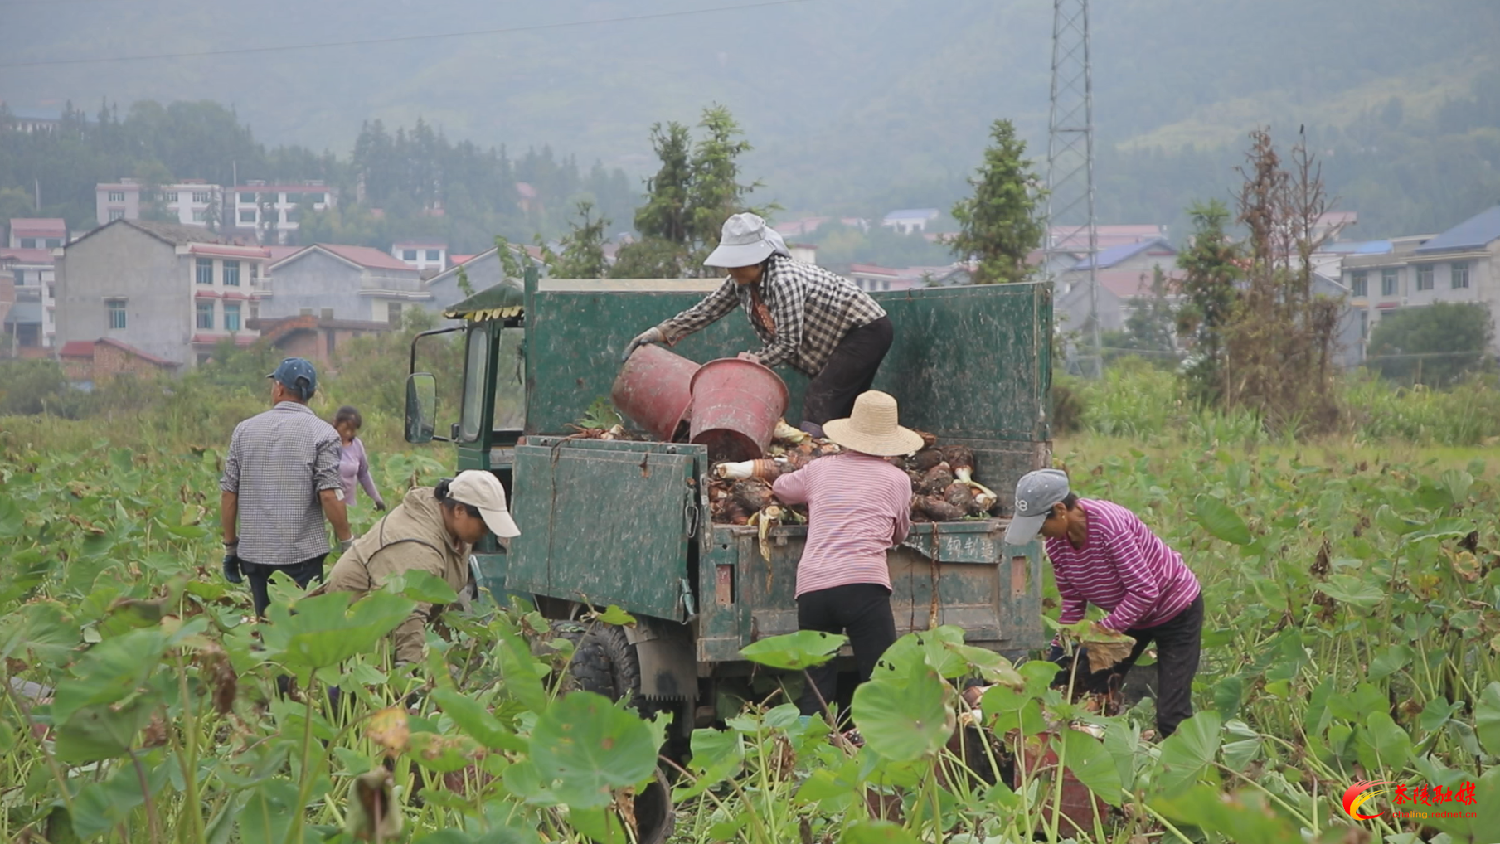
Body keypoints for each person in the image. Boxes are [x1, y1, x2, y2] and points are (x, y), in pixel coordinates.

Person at [623, 212, 893, 438]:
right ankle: (844, 462)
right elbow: (707, 310)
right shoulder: (740, 284)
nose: (734, 270)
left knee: (822, 396)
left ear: (761, 259)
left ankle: (814, 459)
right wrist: (661, 332)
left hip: (864, 330)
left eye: (741, 263)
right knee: (841, 403)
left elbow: (788, 343)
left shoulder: (783, 280)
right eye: (731, 264)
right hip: (839, 338)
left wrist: (756, 361)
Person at [1003, 468, 1203, 738]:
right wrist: (1062, 648)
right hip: (1129, 614)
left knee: (1171, 714)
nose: (1039, 533)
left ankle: (1183, 771)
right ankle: (1097, 755)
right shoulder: (1057, 544)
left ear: (1060, 509)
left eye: (1040, 525)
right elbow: (1073, 601)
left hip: (1175, 609)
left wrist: (1098, 634)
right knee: (1088, 684)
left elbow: (1144, 591)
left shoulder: (1109, 526)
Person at [771, 390, 921, 717]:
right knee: (880, 682)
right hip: (864, 589)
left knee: (816, 689)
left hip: (813, 589)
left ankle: (809, 758)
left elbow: (782, 488)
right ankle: (874, 754)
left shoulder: (821, 470)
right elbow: (899, 533)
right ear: (890, 442)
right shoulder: (898, 479)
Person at [317, 471, 521, 666]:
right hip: (349, 633)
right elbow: (408, 616)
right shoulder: (418, 549)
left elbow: (441, 593)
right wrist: (410, 673)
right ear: (459, 510)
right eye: (484, 524)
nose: (487, 532)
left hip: (380, 632)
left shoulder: (455, 530)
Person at [220, 357, 353, 618]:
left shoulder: (244, 430)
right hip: (301, 556)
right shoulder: (323, 433)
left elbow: (229, 493)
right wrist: (347, 542)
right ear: (311, 393)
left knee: (266, 629)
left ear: (279, 388)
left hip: (255, 555)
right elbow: (328, 494)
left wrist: (230, 548)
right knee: (301, 635)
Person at [334, 406, 387, 512]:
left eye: (352, 430)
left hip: (349, 508)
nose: (348, 433)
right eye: (345, 429)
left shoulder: (357, 445)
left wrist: (376, 499)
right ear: (336, 423)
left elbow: (363, 475)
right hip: (327, 507)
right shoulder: (325, 443)